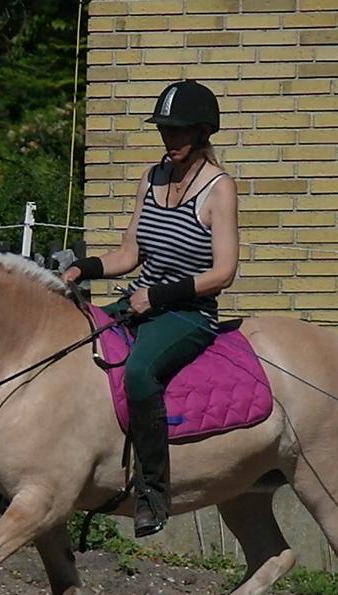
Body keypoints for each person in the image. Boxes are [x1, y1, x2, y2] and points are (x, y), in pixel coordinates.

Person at [62, 79, 239, 538]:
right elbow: (129, 255)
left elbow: (223, 273)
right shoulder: (151, 177)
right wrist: (86, 269)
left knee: (140, 372)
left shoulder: (219, 189)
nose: (169, 140)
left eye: (178, 132)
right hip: (140, 301)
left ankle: (153, 493)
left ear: (203, 133)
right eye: (164, 131)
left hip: (188, 315)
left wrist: (159, 297)